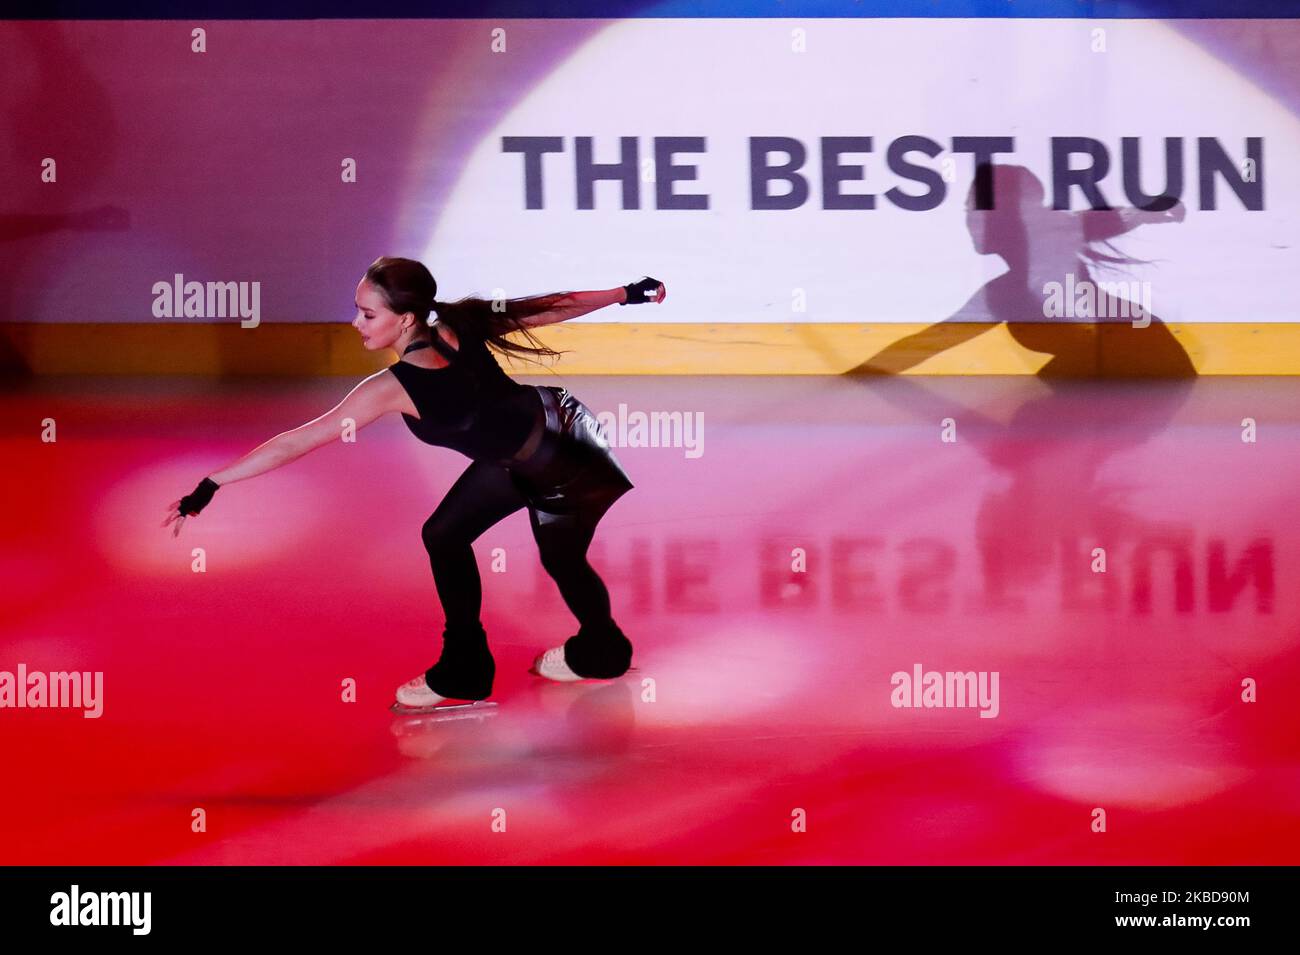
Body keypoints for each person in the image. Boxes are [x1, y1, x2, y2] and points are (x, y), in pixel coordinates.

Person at [163, 256, 665, 710]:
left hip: (565, 456)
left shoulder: (395, 383)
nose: (355, 322)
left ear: (404, 319)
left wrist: (625, 292)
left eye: (367, 313)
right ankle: (466, 666)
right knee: (444, 534)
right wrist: (214, 482)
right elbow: (298, 440)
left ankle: (602, 649)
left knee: (561, 559)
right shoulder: (443, 334)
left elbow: (548, 308)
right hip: (518, 453)